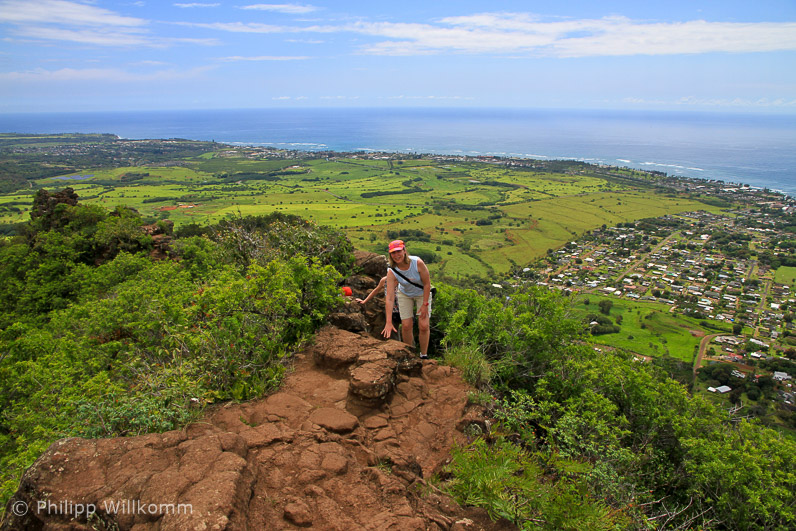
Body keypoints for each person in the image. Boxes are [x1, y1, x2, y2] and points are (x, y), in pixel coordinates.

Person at [381, 240, 432, 358]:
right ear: (390, 255)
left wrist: (425, 305)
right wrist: (388, 322)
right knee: (406, 325)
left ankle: (424, 355)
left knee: (424, 325)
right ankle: (410, 354)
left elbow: (427, 284)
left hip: (422, 293)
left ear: (404, 251)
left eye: (399, 251)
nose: (396, 255)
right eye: (393, 253)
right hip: (404, 293)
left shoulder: (417, 263)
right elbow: (389, 297)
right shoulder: (392, 271)